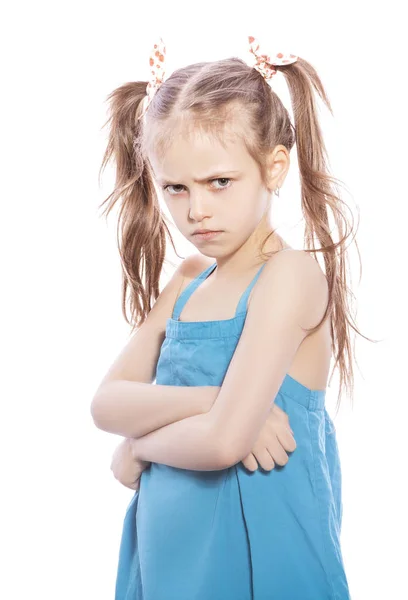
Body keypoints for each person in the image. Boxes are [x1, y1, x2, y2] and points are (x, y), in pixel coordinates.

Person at [91, 35, 369, 600]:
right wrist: (220, 403)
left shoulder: (288, 277)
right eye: (175, 188)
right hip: (168, 550)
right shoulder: (190, 278)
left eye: (219, 182)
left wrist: (140, 446)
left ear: (273, 166)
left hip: (259, 553)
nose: (197, 210)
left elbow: (221, 444)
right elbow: (107, 404)